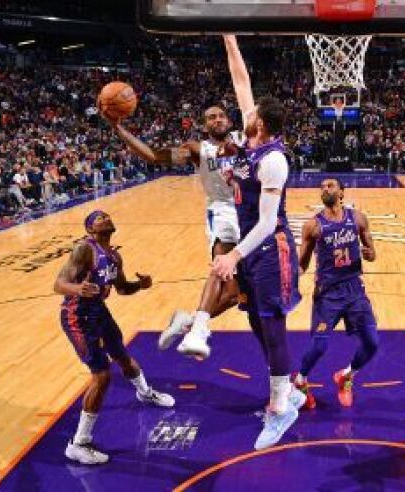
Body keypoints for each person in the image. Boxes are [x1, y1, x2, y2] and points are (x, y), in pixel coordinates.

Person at [209, 34, 305, 450]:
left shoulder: (274, 160)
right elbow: (241, 80)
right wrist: (229, 39)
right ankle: (288, 391)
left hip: (270, 248)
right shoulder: (251, 140)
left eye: (251, 114)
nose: (244, 112)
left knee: (273, 325)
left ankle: (281, 409)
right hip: (250, 248)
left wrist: (233, 255)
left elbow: (267, 222)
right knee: (254, 321)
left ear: (260, 124)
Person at [102, 105, 243, 359]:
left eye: (221, 116)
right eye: (211, 117)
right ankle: (196, 330)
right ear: (205, 125)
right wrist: (118, 128)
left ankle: (186, 322)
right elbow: (154, 156)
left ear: (229, 121)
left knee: (235, 295)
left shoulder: (244, 141)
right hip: (223, 213)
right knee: (222, 270)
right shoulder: (197, 149)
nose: (217, 120)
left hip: (249, 214)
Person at [54, 210, 174, 465]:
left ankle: (145, 393)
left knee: (122, 356)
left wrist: (140, 285)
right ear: (90, 229)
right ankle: (79, 444)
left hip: (99, 312)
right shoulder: (84, 250)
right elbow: (59, 284)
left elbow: (122, 289)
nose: (106, 218)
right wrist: (77, 288)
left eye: (107, 216)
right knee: (102, 375)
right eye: (99, 218)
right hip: (77, 317)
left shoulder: (114, 256)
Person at [293, 178, 378, 409]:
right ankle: (300, 381)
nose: (324, 189)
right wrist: (288, 279)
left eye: (330, 186)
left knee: (372, 343)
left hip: (354, 290)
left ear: (342, 192)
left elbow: (372, 254)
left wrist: (369, 253)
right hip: (327, 294)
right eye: (321, 187)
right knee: (319, 346)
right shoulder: (313, 226)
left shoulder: (358, 218)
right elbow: (302, 264)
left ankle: (347, 376)